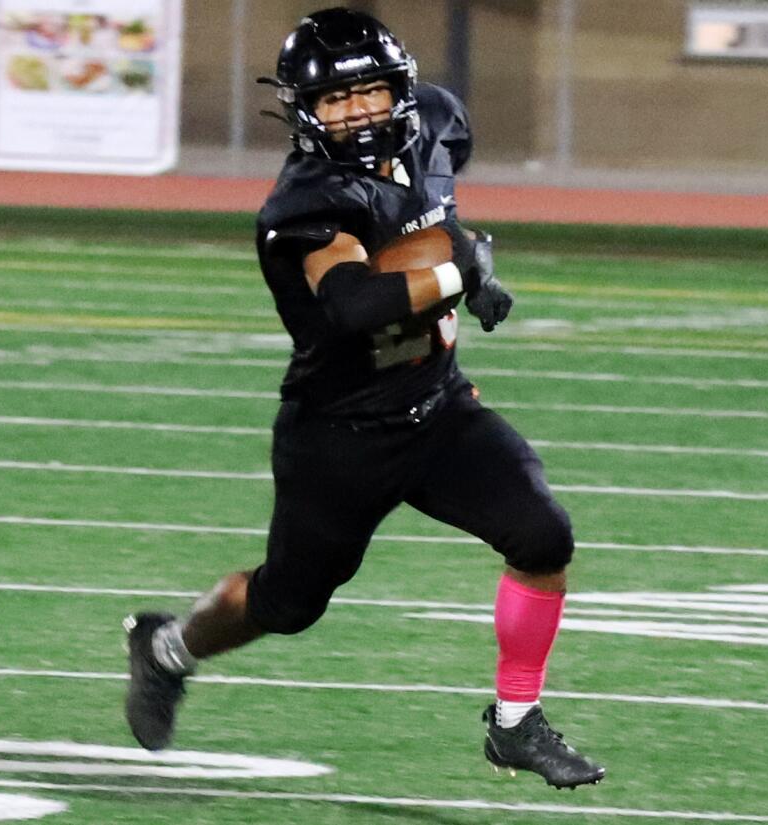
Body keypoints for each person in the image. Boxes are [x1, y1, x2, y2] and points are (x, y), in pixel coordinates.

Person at [124, 7, 605, 790]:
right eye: (335, 102)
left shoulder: (440, 125)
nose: (357, 113)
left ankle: (516, 722)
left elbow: (430, 216)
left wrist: (463, 259)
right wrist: (464, 273)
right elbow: (355, 304)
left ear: (401, 90)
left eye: (370, 93)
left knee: (543, 535)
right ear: (301, 113)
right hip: (339, 435)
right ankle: (168, 647)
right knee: (286, 603)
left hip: (438, 406)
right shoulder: (304, 206)